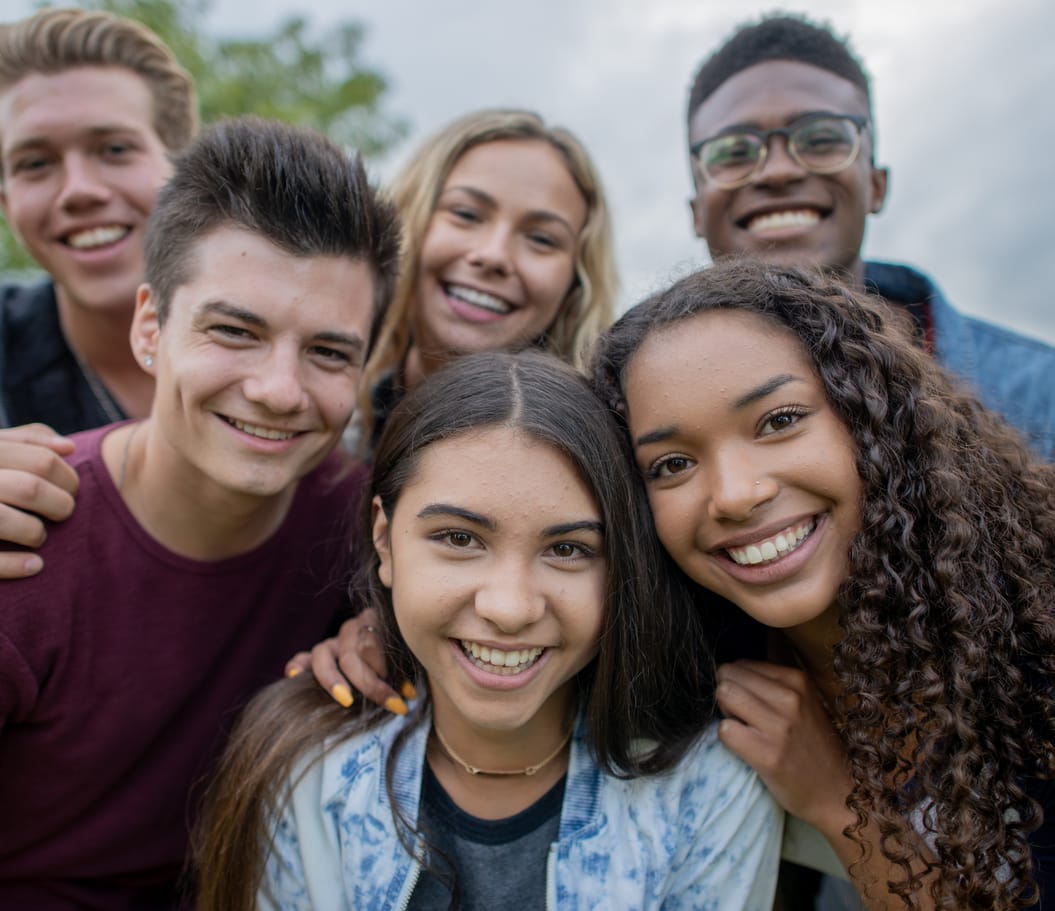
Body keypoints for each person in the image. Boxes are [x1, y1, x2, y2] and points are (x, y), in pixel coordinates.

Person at [0, 116, 400, 909]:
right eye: (234, 331)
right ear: (150, 328)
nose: (279, 389)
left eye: (328, 352)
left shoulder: (359, 524)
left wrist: (384, 629)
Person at [196, 350, 783, 911]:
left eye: (568, 549)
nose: (509, 607)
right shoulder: (306, 766)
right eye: (459, 539)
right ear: (385, 541)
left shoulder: (705, 790)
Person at [588, 257, 1055, 909]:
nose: (735, 494)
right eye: (670, 464)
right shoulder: (690, 675)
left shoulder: (1035, 624)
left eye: (778, 421)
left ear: (873, 416)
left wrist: (838, 800)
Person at [0, 8, 198, 578]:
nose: (79, 191)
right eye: (36, 163)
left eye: (114, 149)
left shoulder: (298, 336)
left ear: (184, 172)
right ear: (7, 204)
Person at [684, 13, 1055, 461]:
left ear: (876, 184)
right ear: (697, 211)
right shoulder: (633, 413)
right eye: (733, 152)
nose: (778, 170)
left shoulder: (1040, 393)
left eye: (821, 139)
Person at [359, 108, 617, 447]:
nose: (494, 255)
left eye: (541, 238)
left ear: (576, 283)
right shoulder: (325, 430)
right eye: (465, 214)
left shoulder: (605, 459)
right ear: (408, 223)